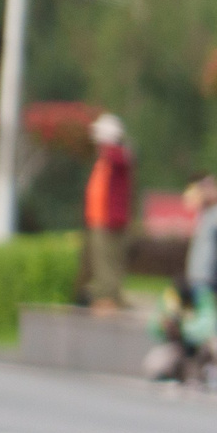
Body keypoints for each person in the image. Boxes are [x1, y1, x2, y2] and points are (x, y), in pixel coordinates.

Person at [181, 177, 217, 382]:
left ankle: (215, 368)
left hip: (210, 278)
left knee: (211, 325)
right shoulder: (208, 215)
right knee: (200, 323)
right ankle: (198, 365)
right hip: (198, 277)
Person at [84, 114, 132, 313]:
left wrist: (111, 142)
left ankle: (108, 298)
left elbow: (123, 158)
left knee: (107, 263)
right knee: (102, 261)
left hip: (109, 219)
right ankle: (107, 297)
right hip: (99, 218)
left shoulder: (116, 155)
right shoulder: (104, 159)